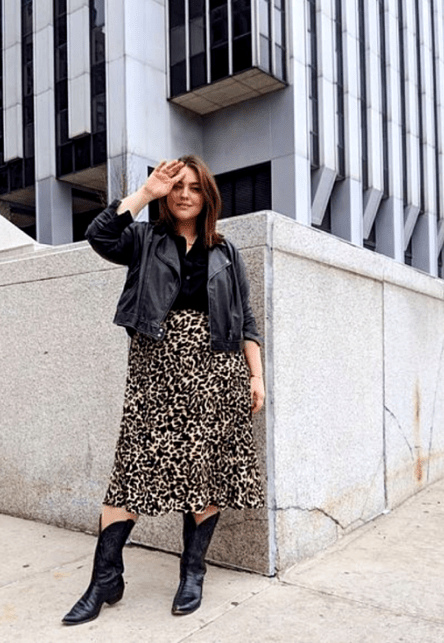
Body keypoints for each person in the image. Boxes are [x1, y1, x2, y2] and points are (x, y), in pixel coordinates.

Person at [61, 155, 265, 626]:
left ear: (207, 195)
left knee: (205, 472)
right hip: (155, 371)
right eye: (177, 187)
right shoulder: (145, 239)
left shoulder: (226, 252)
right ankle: (104, 578)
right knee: (130, 472)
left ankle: (193, 572)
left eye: (194, 187)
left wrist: (256, 376)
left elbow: (246, 321)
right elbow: (98, 236)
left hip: (216, 372)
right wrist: (145, 192)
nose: (185, 194)